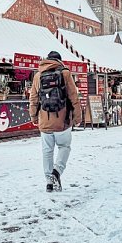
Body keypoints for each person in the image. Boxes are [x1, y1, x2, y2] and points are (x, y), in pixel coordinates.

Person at [29, 51, 82, 192]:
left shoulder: (38, 76)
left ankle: (49, 182)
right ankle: (56, 172)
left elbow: (33, 99)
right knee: (64, 147)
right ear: (59, 61)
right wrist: (77, 117)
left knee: (47, 151)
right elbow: (73, 97)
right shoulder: (65, 73)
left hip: (44, 121)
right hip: (62, 121)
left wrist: (33, 116)